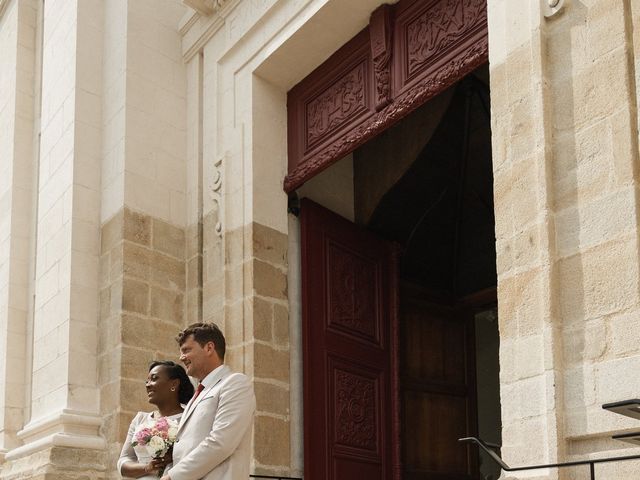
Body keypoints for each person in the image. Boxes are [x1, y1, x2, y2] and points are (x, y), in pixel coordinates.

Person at [161, 322, 256, 480]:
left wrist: (172, 477)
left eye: (186, 350)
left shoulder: (235, 383)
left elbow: (221, 442)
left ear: (209, 348)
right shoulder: (197, 395)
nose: (181, 357)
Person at [118, 361, 195, 479]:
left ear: (174, 384)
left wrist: (173, 456)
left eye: (154, 379)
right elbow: (123, 462)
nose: (148, 385)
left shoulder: (189, 419)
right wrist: (147, 468)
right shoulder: (140, 419)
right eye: (147, 381)